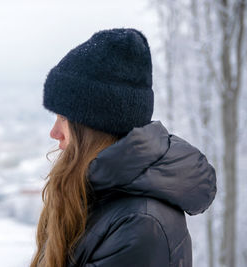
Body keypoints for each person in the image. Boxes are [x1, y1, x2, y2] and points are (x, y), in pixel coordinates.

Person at [30, 28, 217, 267]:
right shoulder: (93, 197)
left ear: (95, 126)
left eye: (64, 119)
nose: (54, 133)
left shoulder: (140, 225)